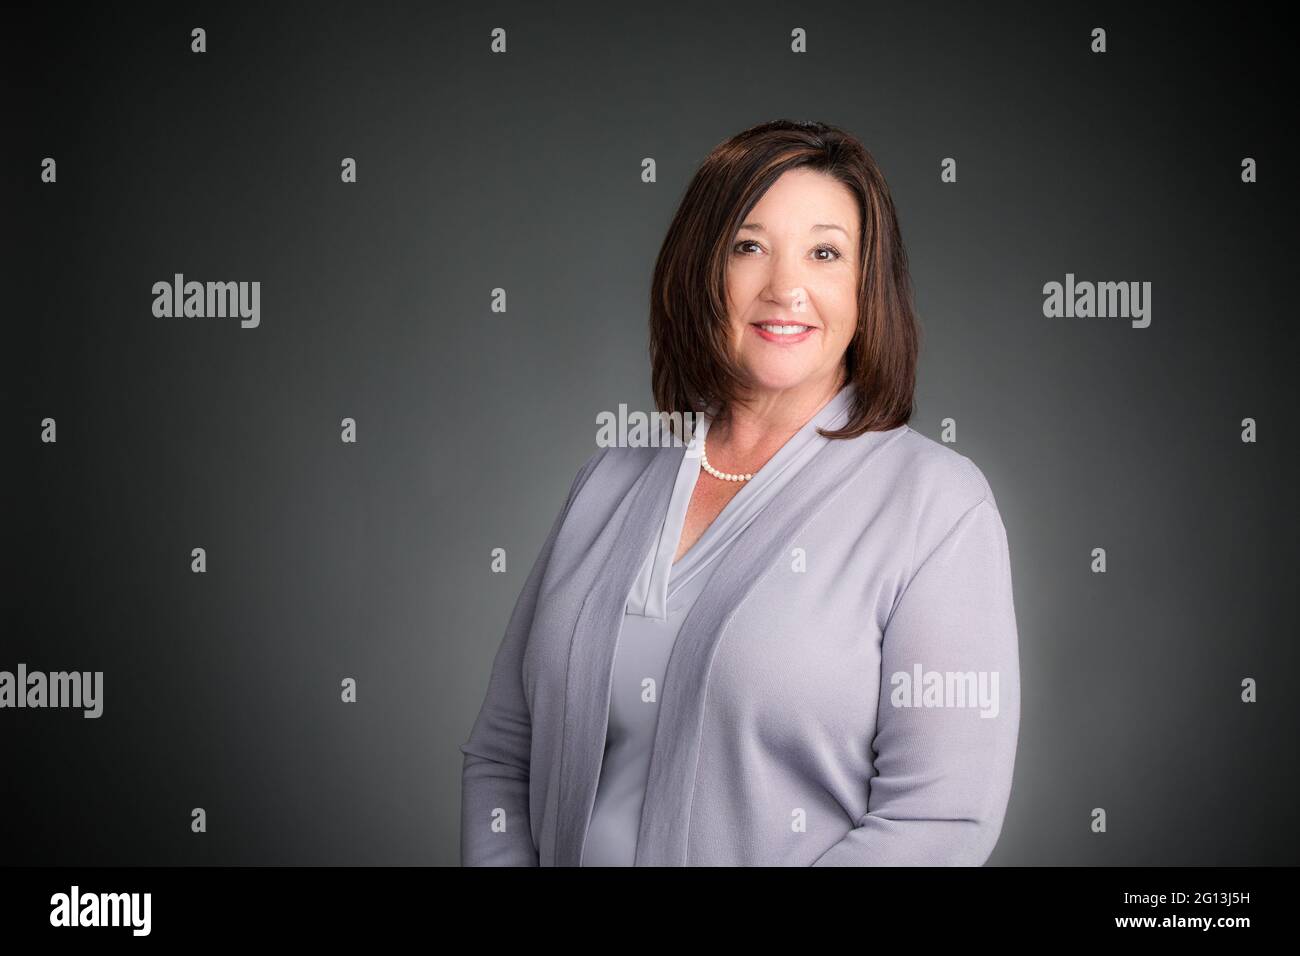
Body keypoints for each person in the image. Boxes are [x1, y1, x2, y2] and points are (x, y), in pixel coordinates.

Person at [459, 119, 1020, 866]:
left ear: (865, 286)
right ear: (701, 269)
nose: (785, 288)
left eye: (825, 253)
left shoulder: (937, 507)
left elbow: (938, 820)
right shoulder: (608, 483)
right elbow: (503, 753)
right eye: (749, 246)